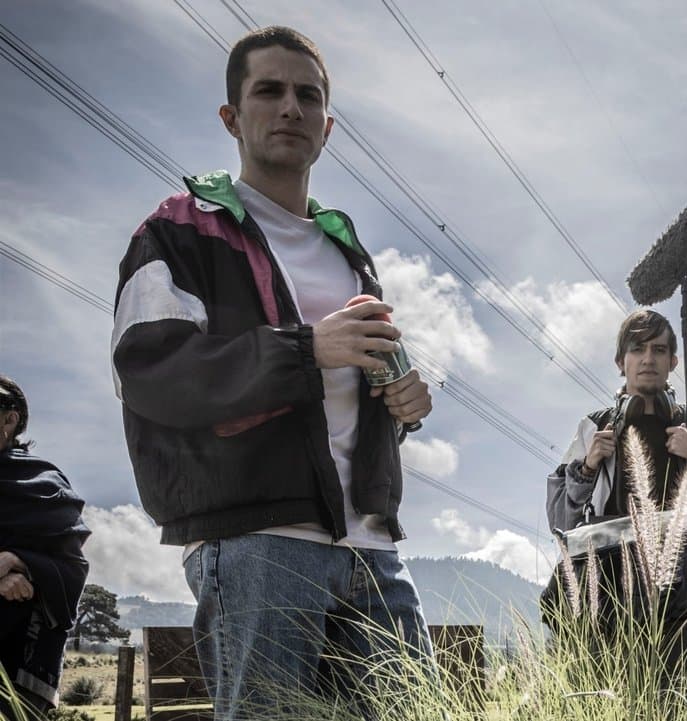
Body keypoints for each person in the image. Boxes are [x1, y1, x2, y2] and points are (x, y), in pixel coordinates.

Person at [110, 26, 434, 719]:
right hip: (257, 541)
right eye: (270, 91)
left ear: (328, 126)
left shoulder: (350, 254)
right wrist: (306, 348)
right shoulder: (178, 231)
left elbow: (349, 394)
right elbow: (151, 373)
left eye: (308, 96)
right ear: (231, 117)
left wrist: (400, 403)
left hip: (371, 544)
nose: (291, 107)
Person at [545, 309, 687, 719]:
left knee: (681, 707)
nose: (648, 359)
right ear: (620, 361)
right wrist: (586, 468)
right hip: (606, 604)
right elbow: (561, 525)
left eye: (658, 350)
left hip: (680, 606)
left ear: (674, 361)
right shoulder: (594, 428)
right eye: (637, 349)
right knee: (606, 707)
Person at [0, 374, 91, 719]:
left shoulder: (43, 484)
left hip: (19, 656)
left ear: (9, 419)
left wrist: (20, 561)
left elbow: (72, 567)